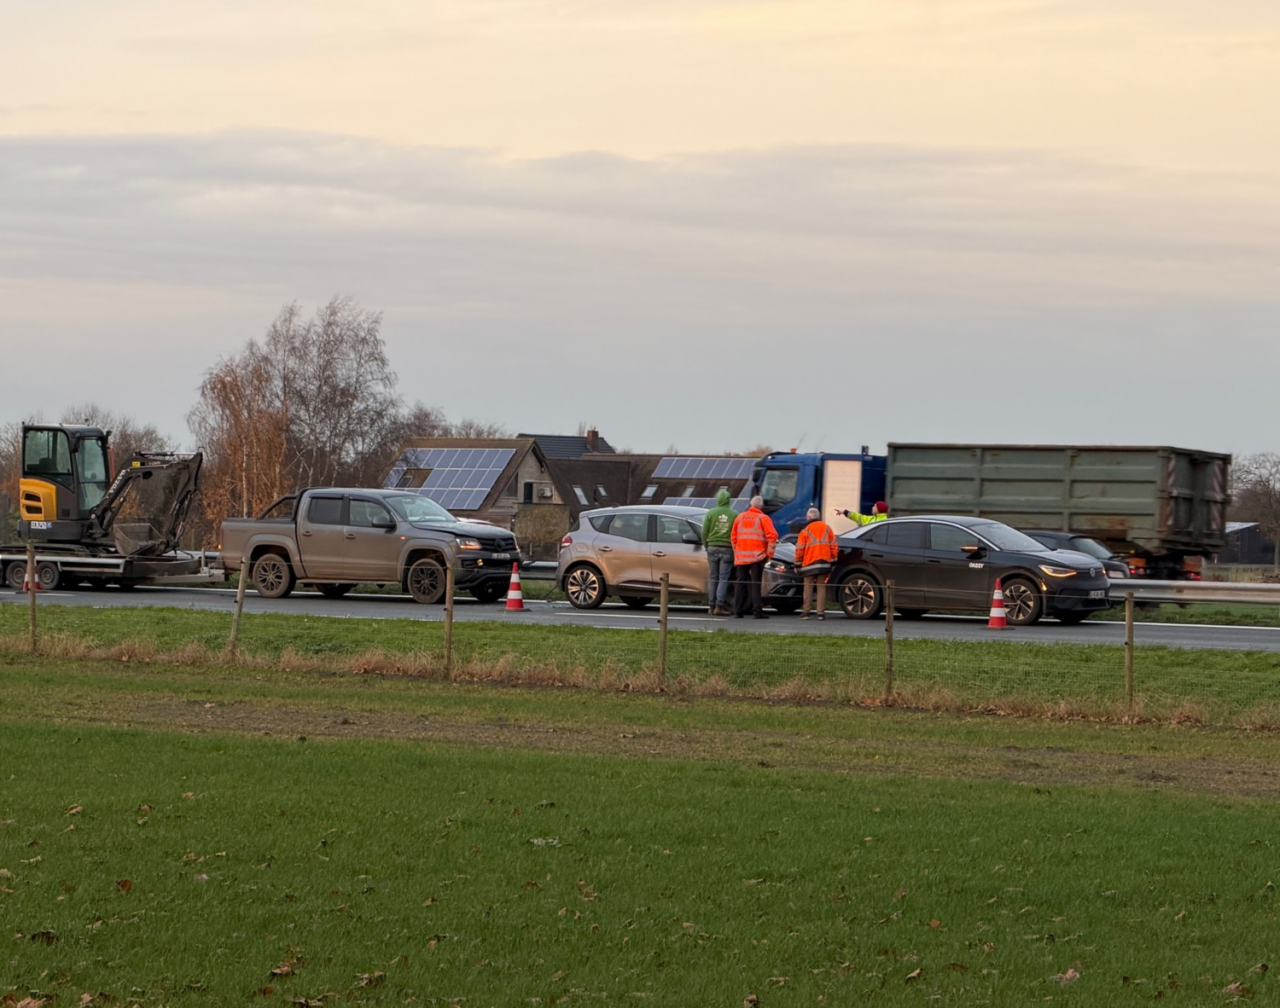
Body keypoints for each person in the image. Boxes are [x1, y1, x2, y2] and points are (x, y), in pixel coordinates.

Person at [731, 495, 778, 619]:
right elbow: (772, 536)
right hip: (757, 556)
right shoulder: (763, 518)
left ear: (751, 505)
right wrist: (769, 554)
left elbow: (733, 537)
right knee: (756, 584)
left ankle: (737, 611)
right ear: (761, 506)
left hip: (741, 556)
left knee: (740, 583)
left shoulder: (740, 517)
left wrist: (737, 551)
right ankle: (757, 611)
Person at [794, 507, 838, 620]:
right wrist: (833, 560)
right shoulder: (827, 528)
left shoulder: (805, 530)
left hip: (809, 563)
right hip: (824, 563)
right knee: (821, 587)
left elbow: (800, 549)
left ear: (808, 517)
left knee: (808, 587)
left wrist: (797, 564)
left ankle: (806, 612)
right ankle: (820, 613)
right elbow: (834, 546)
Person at [701, 489, 738, 616]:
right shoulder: (734, 514)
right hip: (727, 548)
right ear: (728, 500)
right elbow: (736, 533)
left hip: (712, 546)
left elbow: (704, 532)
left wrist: (706, 545)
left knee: (713, 577)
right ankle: (719, 606)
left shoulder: (711, 513)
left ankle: (711, 606)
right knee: (724, 578)